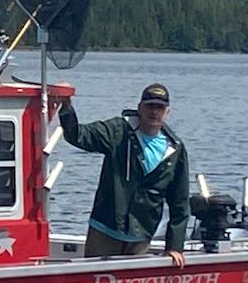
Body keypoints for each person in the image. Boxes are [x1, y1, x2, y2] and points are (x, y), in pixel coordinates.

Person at [57, 82, 189, 266]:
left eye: (160, 107)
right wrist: (66, 106)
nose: (154, 112)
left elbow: (180, 201)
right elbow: (77, 135)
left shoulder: (176, 149)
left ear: (167, 112)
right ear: (139, 108)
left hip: (141, 234)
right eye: (150, 106)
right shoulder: (117, 131)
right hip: (105, 230)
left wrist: (175, 246)